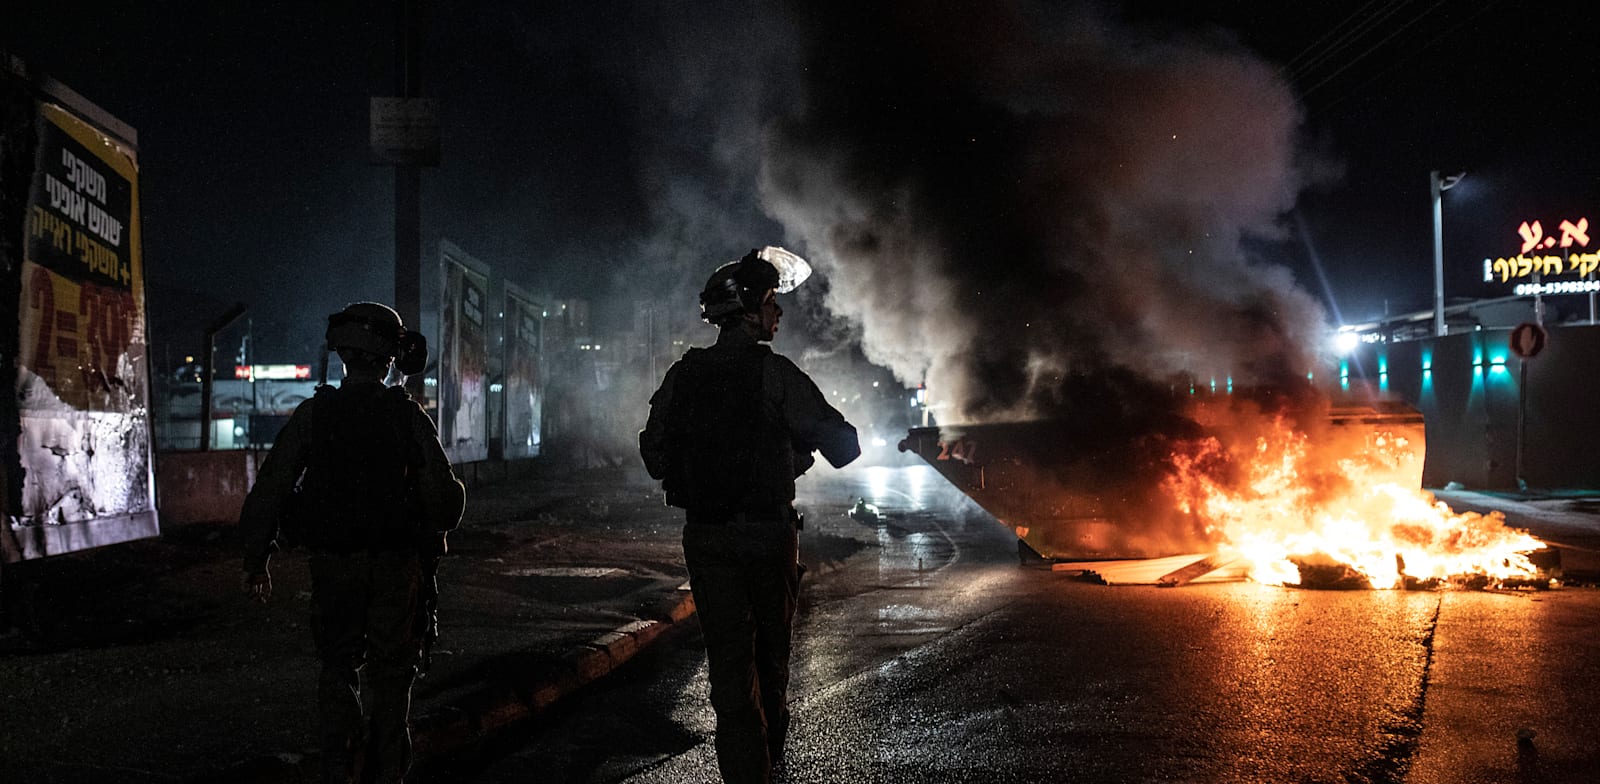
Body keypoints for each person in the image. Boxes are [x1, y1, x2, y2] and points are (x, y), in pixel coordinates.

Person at [640, 247, 860, 784]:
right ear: (749, 309)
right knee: (770, 661)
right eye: (771, 302)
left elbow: (654, 455)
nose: (778, 313)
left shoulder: (683, 375)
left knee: (730, 673)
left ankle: (746, 773)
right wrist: (787, 452)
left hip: (707, 538)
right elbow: (844, 444)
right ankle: (771, 762)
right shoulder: (776, 375)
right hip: (766, 535)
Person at [239, 302, 465, 784]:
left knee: (337, 666)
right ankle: (386, 774)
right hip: (394, 566)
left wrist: (257, 560)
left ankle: (338, 770)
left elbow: (270, 489)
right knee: (391, 675)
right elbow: (446, 502)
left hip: (333, 565)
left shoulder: (313, 415)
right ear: (388, 358)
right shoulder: (407, 418)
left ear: (342, 353)